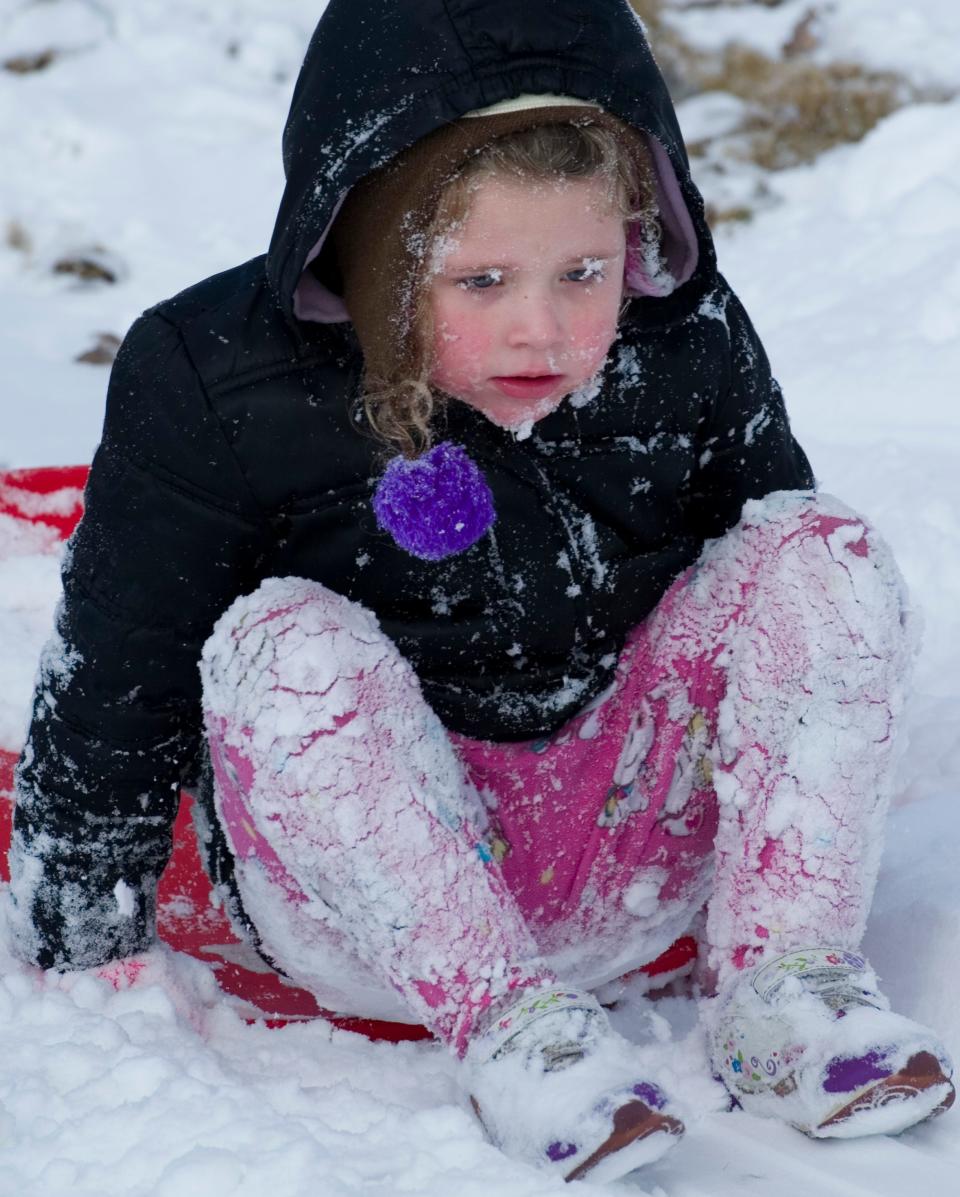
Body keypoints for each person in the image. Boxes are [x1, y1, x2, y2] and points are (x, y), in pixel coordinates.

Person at [7, 0, 953, 1182]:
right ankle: (515, 1032)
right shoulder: (214, 377)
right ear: (375, 250)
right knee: (280, 644)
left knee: (820, 549)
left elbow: (774, 612)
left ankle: (788, 987)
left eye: (585, 271)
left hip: (640, 851)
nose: (543, 328)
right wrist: (82, 951)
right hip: (375, 900)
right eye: (482, 279)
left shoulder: (685, 329)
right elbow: (120, 670)